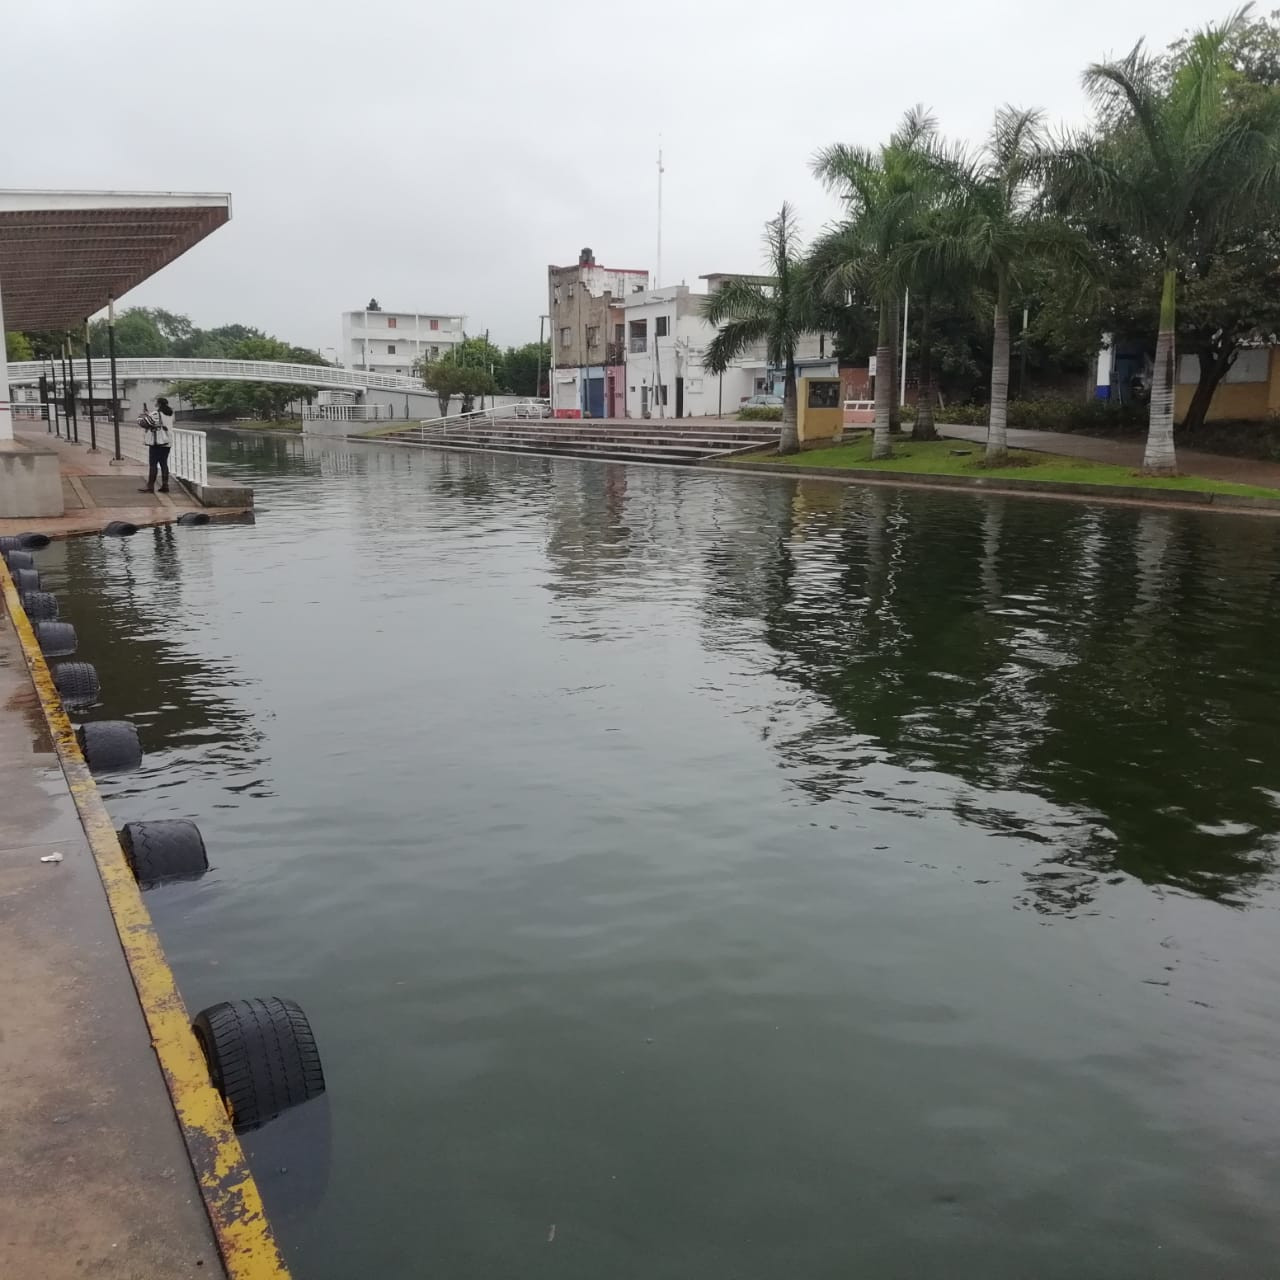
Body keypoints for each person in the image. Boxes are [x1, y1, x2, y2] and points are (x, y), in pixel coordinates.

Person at [138, 396, 174, 493]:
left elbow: (142, 423)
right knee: (164, 463)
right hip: (167, 442)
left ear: (158, 404)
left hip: (157, 442)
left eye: (156, 402)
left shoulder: (156, 413)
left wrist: (143, 415)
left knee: (153, 464)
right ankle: (165, 485)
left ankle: (150, 486)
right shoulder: (170, 414)